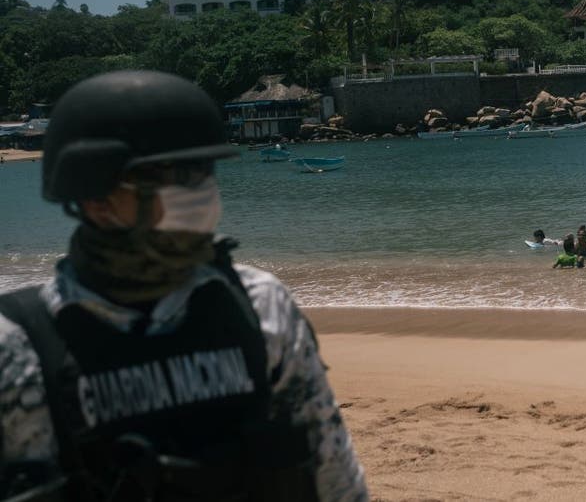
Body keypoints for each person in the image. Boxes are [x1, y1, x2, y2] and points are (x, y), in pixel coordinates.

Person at [0, 71, 368, 502]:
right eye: (171, 176)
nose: (200, 191)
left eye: (203, 171)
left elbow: (334, 476)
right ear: (96, 199)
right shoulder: (19, 346)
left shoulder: (258, 305)